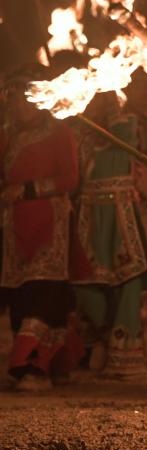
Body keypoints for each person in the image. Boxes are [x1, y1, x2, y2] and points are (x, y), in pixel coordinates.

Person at [0, 66, 83, 391]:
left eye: (23, 96)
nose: (17, 104)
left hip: (51, 224)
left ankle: (30, 367)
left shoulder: (61, 132)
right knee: (21, 298)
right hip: (14, 229)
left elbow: (71, 179)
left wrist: (27, 190)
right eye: (11, 97)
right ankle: (46, 365)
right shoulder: (7, 136)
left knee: (45, 296)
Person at [72, 95, 147, 377]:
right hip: (88, 211)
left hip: (121, 212)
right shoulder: (80, 130)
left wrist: (111, 102)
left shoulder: (126, 124)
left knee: (127, 280)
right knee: (83, 281)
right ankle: (105, 335)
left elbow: (121, 135)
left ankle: (124, 356)